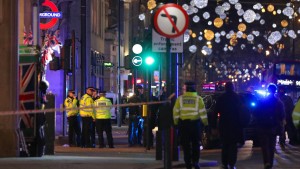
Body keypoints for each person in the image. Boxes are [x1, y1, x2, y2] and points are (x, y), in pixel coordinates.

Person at [173, 81, 207, 169]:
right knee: (196, 144)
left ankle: (188, 163)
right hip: (195, 125)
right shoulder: (198, 99)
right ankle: (195, 162)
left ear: (186, 89)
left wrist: (176, 123)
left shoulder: (180, 99)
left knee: (186, 146)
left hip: (184, 125)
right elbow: (203, 113)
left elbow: (175, 112)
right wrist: (205, 123)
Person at [212, 82, 243, 169]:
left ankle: (225, 163)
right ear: (233, 88)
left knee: (225, 145)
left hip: (224, 125)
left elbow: (215, 113)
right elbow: (242, 111)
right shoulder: (237, 97)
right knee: (233, 145)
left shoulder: (221, 98)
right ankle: (232, 164)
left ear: (225, 88)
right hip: (235, 125)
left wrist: (214, 126)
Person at [254, 84, 285, 169]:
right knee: (272, 145)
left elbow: (256, 112)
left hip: (263, 126)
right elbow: (282, 115)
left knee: (265, 146)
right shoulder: (279, 102)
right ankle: (270, 163)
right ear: (275, 91)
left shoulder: (262, 101)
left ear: (268, 90)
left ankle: (266, 162)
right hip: (273, 127)